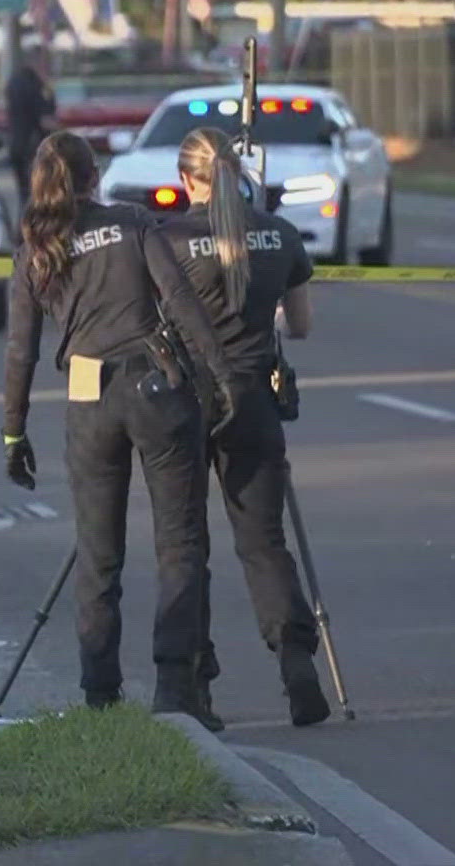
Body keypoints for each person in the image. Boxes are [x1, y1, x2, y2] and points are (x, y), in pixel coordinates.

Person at [2, 131, 237, 726]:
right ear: (93, 176)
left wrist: (13, 432)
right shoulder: (134, 223)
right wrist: (222, 377)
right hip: (158, 391)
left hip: (88, 400)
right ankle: (174, 690)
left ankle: (100, 695)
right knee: (180, 543)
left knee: (98, 554)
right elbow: (181, 302)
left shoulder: (36, 247)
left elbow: (21, 351)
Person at [157, 127, 330, 728]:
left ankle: (196, 685)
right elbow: (301, 326)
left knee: (186, 545)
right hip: (255, 399)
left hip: (186, 403)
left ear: (185, 179)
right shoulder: (279, 235)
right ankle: (296, 663)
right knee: (263, 542)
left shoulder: (169, 239)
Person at [4, 56, 57, 208]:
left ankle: (22, 227)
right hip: (35, 147)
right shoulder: (38, 86)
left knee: (24, 195)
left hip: (17, 145)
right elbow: (46, 121)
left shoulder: (14, 82)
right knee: (41, 194)